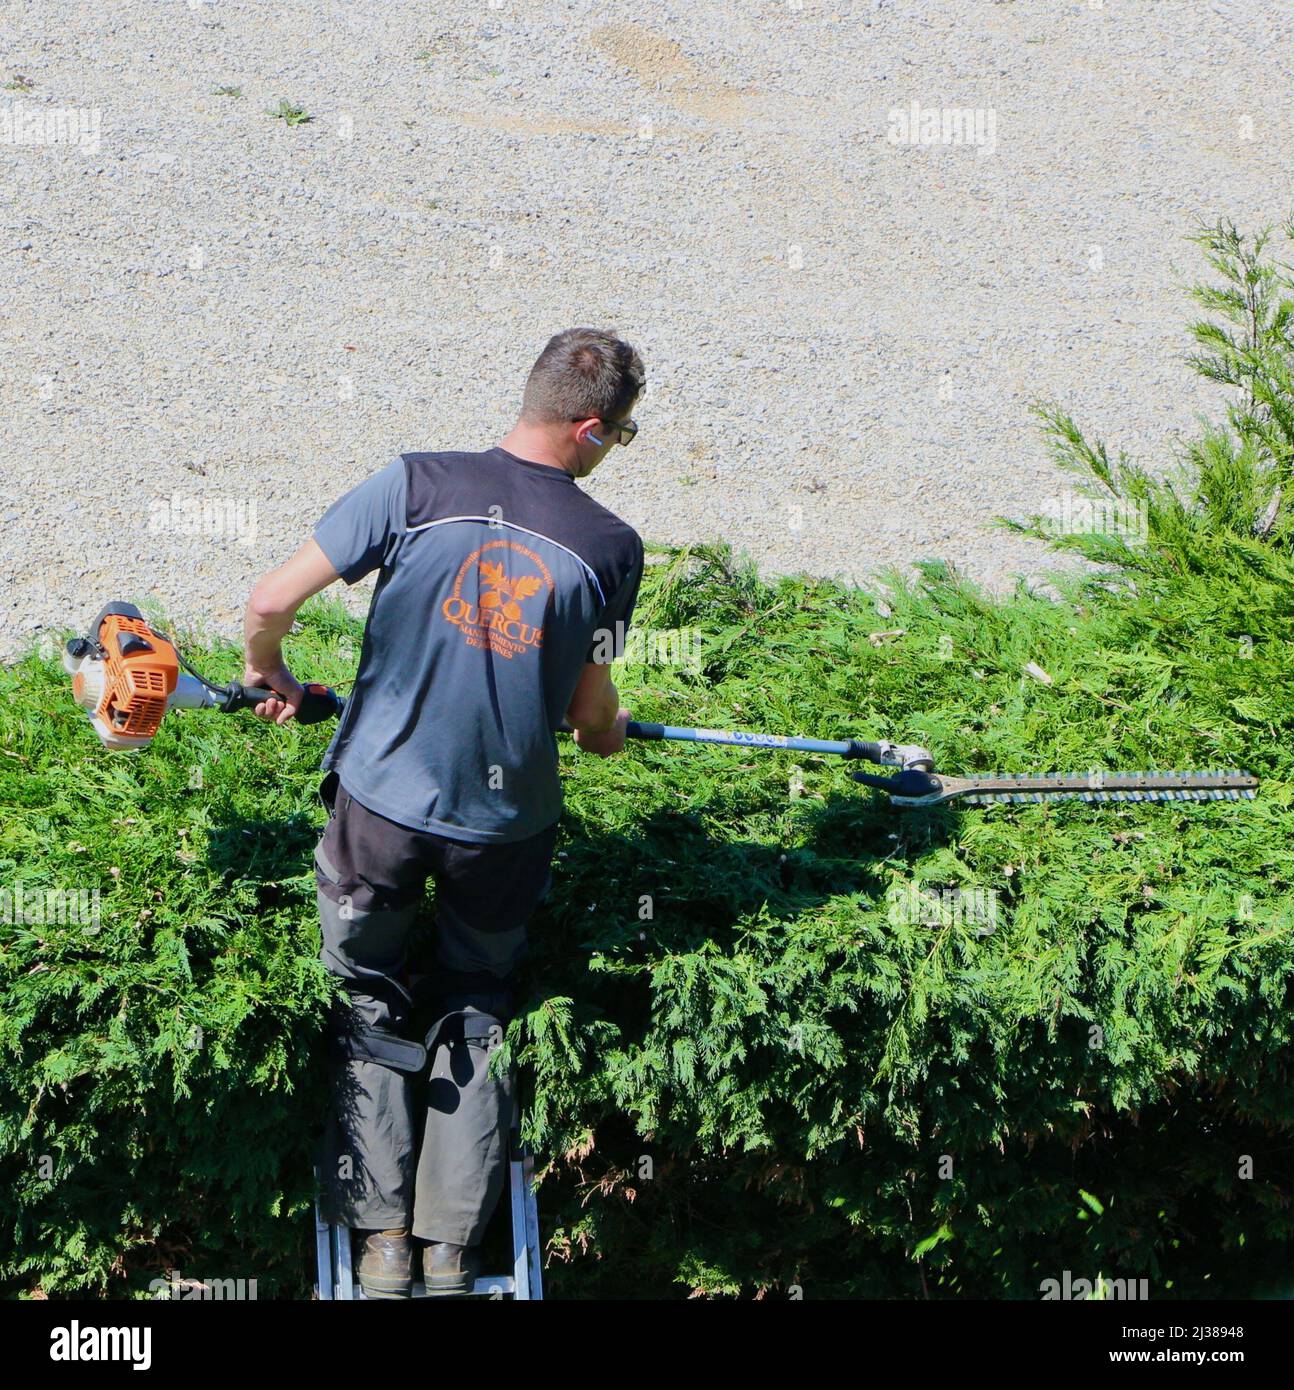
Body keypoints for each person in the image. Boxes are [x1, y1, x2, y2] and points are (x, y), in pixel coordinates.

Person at [240, 327, 646, 1297]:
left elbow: (268, 599)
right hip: (502, 836)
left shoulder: (414, 486)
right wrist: (609, 732)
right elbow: (589, 718)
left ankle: (379, 1246)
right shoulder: (607, 548)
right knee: (474, 1007)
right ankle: (449, 1252)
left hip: (376, 810)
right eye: (621, 438)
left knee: (368, 996)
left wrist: (271, 671)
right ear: (589, 428)